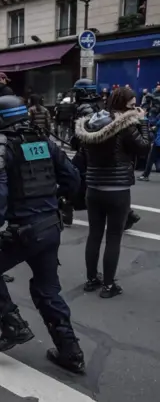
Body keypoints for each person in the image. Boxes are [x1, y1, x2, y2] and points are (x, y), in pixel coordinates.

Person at [0, 95, 85, 374]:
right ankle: (70, 352)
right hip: (50, 227)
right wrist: (51, 200)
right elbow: (72, 180)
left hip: (24, 231)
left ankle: (13, 328)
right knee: (47, 289)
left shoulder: (0, 145)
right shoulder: (44, 142)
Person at [74, 87, 149, 298]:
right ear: (125, 105)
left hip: (94, 188)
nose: (135, 108)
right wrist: (142, 122)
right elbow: (143, 147)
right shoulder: (125, 126)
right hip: (118, 190)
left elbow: (82, 154)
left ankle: (91, 280)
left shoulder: (91, 123)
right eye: (133, 105)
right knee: (113, 237)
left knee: (94, 235)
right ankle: (108, 286)